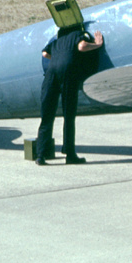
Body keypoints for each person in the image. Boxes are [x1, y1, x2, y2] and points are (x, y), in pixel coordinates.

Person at [35, 26, 105, 166]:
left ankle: (40, 155)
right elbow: (82, 46)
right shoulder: (77, 34)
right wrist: (97, 44)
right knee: (69, 115)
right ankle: (70, 154)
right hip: (68, 73)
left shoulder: (56, 41)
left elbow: (44, 54)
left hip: (51, 74)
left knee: (47, 116)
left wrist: (57, 57)